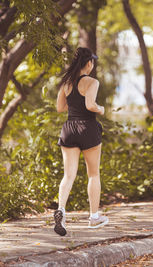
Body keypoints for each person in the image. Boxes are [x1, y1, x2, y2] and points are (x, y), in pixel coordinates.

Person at [54, 47, 109, 236]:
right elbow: (90, 105)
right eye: (92, 62)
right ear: (88, 63)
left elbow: (60, 107)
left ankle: (61, 210)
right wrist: (101, 109)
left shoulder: (66, 83)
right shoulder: (92, 82)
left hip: (69, 129)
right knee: (93, 174)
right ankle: (94, 217)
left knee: (68, 175)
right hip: (88, 128)